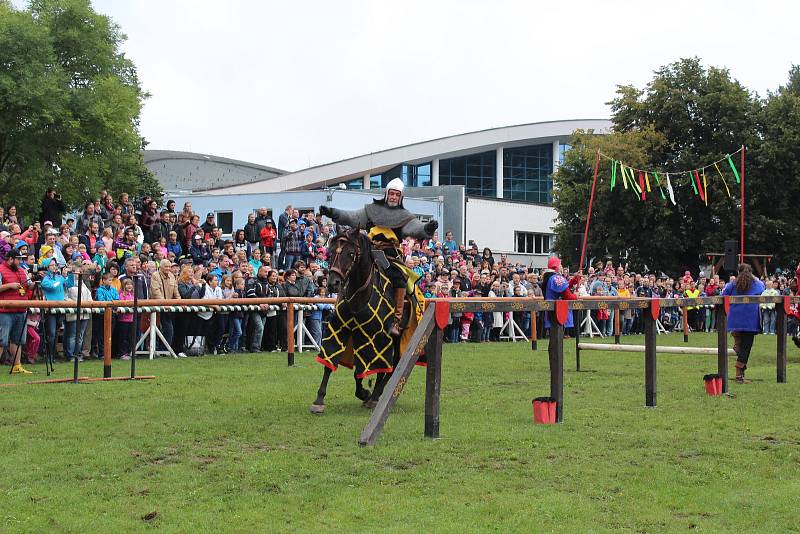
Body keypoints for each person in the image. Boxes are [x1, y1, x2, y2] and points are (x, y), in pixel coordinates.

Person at [319, 177, 438, 336]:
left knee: (399, 278)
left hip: (390, 256)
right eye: (391, 194)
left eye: (397, 194)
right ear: (386, 194)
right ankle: (340, 309)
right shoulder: (371, 210)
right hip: (369, 250)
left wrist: (427, 228)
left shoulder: (405, 215)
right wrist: (332, 212)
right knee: (350, 269)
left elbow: (416, 228)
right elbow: (352, 217)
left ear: (400, 197)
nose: (393, 197)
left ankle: (396, 319)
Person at [723, 264, 765, 383]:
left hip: (735, 319)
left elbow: (724, 294)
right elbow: (762, 289)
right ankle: (739, 374)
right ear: (751, 272)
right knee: (746, 347)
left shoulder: (733, 283)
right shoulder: (756, 284)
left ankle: (737, 342)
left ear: (738, 272)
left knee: (742, 346)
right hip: (750, 320)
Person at [0, 252, 34, 373]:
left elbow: (28, 285)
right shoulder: (0, 270)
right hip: (4, 310)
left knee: (18, 340)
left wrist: (35, 283)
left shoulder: (21, 270)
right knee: (1, 340)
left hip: (21, 309)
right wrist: (9, 285)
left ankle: (17, 366)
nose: (20, 262)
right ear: (10, 259)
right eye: (18, 259)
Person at [150, 259, 183, 355]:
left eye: (169, 267)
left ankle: (164, 349)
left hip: (168, 307)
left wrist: (181, 302)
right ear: (160, 267)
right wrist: (164, 304)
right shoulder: (155, 275)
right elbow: (156, 292)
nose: (168, 268)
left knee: (169, 328)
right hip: (157, 307)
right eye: (166, 266)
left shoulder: (172, 276)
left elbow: (176, 292)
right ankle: (159, 349)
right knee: (157, 328)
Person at [541, 256, 578, 335]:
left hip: (551, 307)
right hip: (557, 310)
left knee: (554, 336)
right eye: (560, 264)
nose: (561, 266)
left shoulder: (549, 276)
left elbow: (564, 287)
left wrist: (575, 279)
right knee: (557, 336)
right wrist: (576, 296)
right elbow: (567, 296)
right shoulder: (557, 278)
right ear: (556, 266)